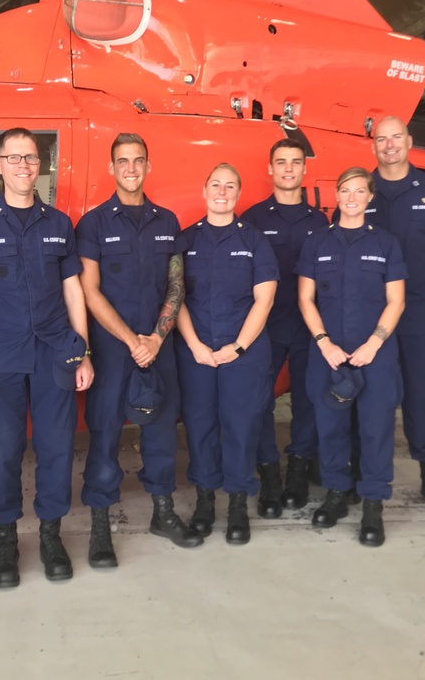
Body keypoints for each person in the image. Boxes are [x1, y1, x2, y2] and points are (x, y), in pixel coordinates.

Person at [0, 127, 94, 587]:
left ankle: (51, 536)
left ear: (40, 165)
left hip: (56, 354)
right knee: (2, 454)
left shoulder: (58, 224)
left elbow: (74, 292)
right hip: (1, 360)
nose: (22, 166)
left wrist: (84, 352)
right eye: (13, 158)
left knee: (56, 450)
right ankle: (7, 541)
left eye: (30, 158)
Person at [76, 133, 202, 568]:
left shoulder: (167, 222)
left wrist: (156, 339)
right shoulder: (92, 224)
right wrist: (133, 341)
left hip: (158, 348)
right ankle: (99, 527)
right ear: (111, 168)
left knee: (162, 434)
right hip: (113, 352)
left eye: (138, 161)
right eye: (123, 161)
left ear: (148, 167)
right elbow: (89, 291)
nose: (131, 168)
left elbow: (176, 285)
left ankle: (163, 514)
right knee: (105, 435)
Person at [349, 116, 425, 509]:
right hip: (368, 318)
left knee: (421, 395)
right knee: (368, 396)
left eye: (396, 137)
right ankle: (361, 472)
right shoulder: (360, 193)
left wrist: (418, 279)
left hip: (418, 313)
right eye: (381, 139)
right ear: (373, 146)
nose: (389, 145)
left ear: (409, 141)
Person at [297, 166, 406, 547]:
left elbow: (396, 300)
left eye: (360, 191)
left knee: (375, 429)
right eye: (345, 190)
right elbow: (305, 299)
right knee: (331, 427)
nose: (352, 197)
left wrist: (374, 342)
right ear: (337, 195)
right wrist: (324, 342)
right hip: (328, 352)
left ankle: (373, 503)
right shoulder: (317, 243)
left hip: (375, 353)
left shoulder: (386, 244)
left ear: (370, 197)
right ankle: (337, 494)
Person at [175, 163, 277, 544]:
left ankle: (236, 503)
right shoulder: (186, 240)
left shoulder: (254, 241)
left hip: (244, 354)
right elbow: (176, 297)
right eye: (215, 184)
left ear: (238, 193)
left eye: (230, 186)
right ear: (204, 191)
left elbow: (264, 300)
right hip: (196, 352)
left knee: (241, 426)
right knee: (200, 426)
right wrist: (195, 346)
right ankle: (204, 501)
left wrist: (237, 347)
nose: (222, 191)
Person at [241, 138, 329, 515]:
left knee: (308, 403)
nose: (288, 169)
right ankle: (269, 477)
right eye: (281, 162)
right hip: (268, 328)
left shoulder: (320, 221)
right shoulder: (254, 218)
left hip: (309, 327)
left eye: (295, 162)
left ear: (305, 169)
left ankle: (297, 470)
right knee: (259, 403)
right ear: (270, 169)